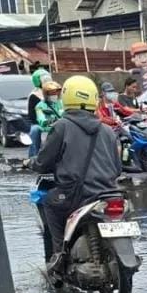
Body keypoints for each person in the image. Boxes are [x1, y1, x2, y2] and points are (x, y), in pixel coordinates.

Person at [31, 76, 122, 270]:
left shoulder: (61, 126)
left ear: (66, 97)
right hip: (108, 193)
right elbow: (117, 168)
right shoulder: (107, 130)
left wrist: (32, 163)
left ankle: (58, 257)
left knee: (49, 203)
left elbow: (43, 161)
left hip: (75, 194)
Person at [26, 67, 52, 157]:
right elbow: (32, 116)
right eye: (43, 79)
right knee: (35, 130)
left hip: (55, 120)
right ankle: (33, 156)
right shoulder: (34, 95)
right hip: (40, 123)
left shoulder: (54, 92)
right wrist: (42, 122)